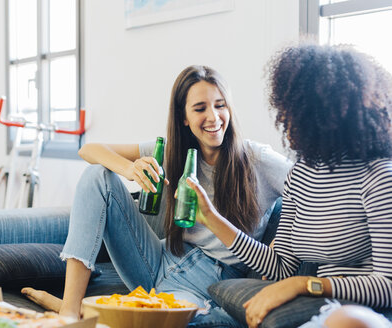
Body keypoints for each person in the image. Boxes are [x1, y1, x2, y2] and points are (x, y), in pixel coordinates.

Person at [22, 65, 292, 326]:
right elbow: (90, 150)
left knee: (176, 322)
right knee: (97, 176)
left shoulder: (258, 160)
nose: (213, 117)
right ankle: (69, 314)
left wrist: (280, 242)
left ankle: (99, 312)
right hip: (158, 258)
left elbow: (310, 190)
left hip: (210, 281)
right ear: (184, 117)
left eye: (220, 105)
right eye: (200, 108)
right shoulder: (172, 152)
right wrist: (129, 169)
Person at [185, 44, 392, 327]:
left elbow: (387, 284)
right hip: (324, 310)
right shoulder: (300, 175)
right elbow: (281, 267)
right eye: (286, 110)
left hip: (364, 313)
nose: (286, 121)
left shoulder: (379, 175)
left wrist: (306, 285)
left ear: (331, 115)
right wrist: (211, 218)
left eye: (296, 112)